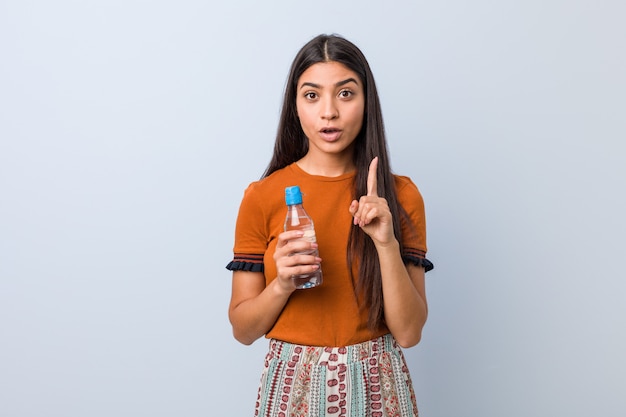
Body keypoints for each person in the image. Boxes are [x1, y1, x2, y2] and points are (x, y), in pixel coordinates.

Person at [226, 34, 434, 417]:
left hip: (379, 386)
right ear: (295, 107)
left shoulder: (400, 196)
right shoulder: (262, 196)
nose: (328, 113)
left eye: (345, 94)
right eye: (311, 95)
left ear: (366, 101)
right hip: (293, 389)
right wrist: (282, 284)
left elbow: (408, 334)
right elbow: (243, 330)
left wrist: (385, 244)